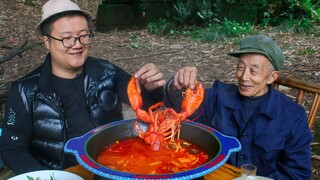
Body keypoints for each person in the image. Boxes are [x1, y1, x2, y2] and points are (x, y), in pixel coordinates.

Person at [0, 0, 166, 175]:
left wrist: (150, 89)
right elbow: (12, 149)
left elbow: (147, 107)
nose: (77, 44)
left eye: (83, 35)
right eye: (66, 38)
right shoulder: (24, 91)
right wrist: (49, 178)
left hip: (111, 167)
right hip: (58, 172)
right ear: (47, 42)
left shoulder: (107, 72)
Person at [164, 35, 312, 179]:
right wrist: (176, 85)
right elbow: (180, 110)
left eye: (253, 71)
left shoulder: (293, 116)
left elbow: (298, 173)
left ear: (272, 77)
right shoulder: (219, 95)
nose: (243, 76)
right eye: (241, 67)